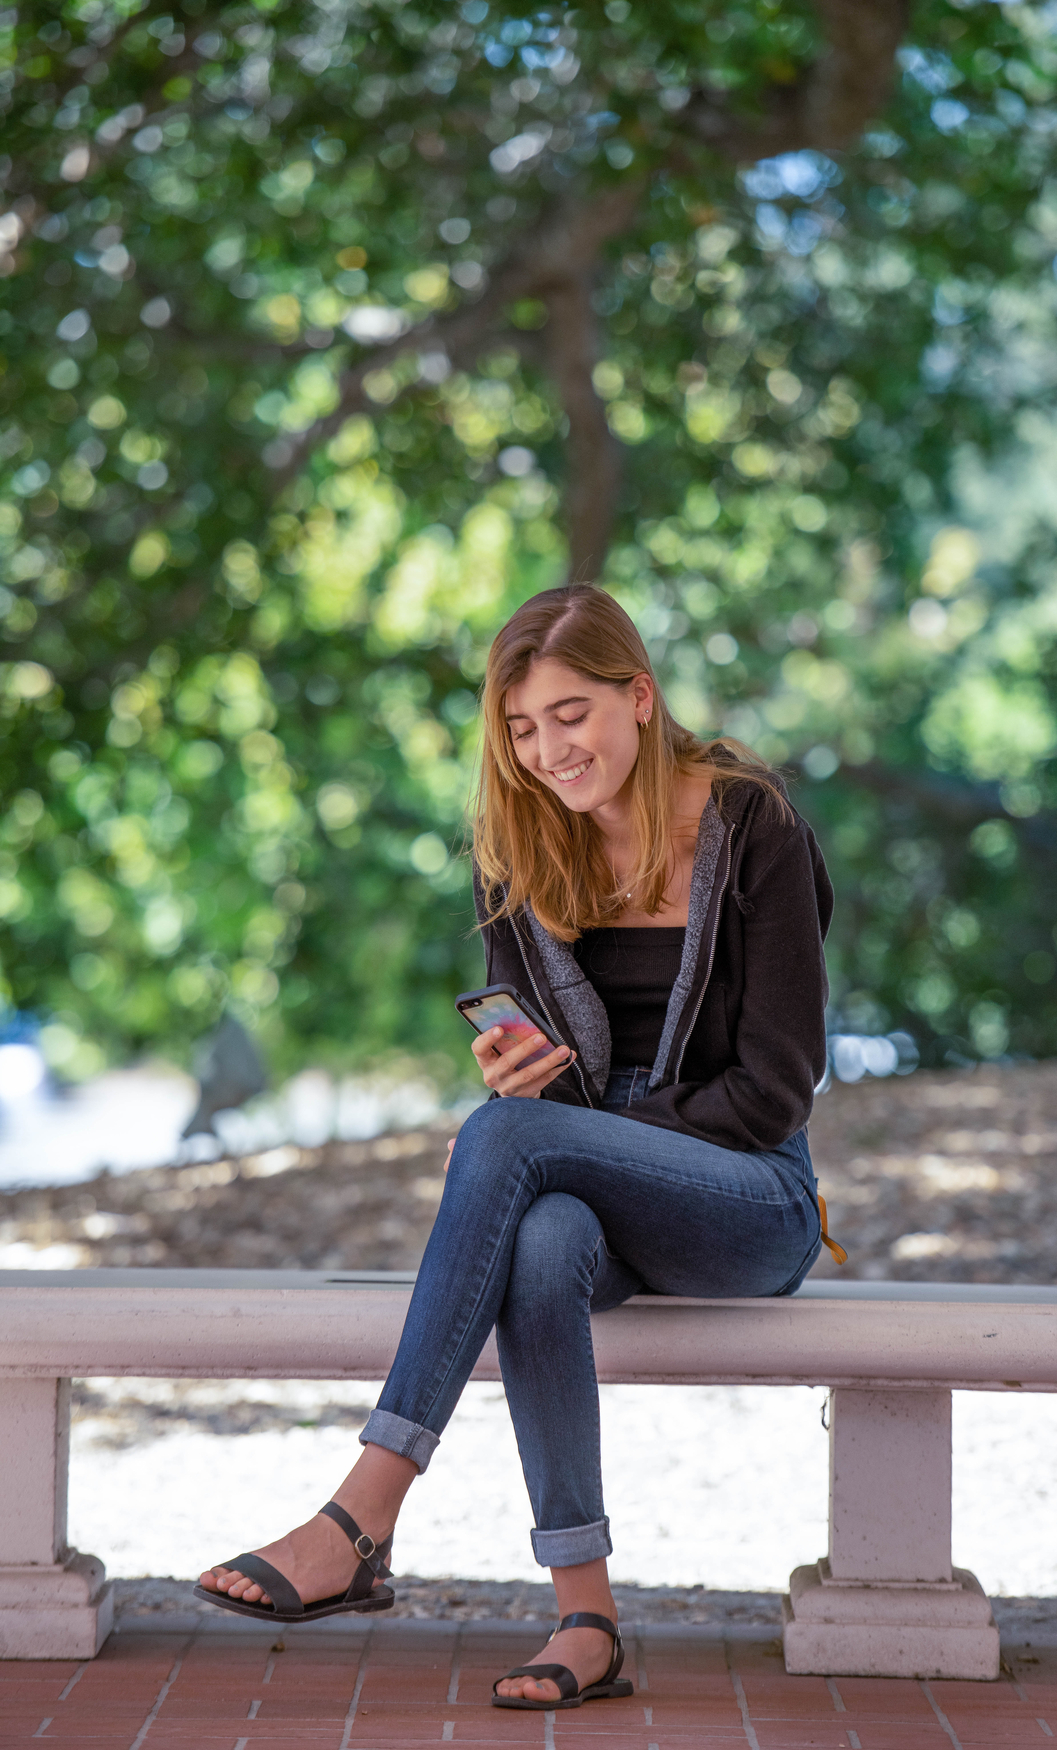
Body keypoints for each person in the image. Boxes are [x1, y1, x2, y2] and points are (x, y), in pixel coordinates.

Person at [195, 584, 836, 1711]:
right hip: (586, 1177)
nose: (548, 752)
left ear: (640, 698)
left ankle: (361, 1515)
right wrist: (532, 1084)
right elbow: (553, 1093)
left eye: (572, 714)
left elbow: (775, 1089)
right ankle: (585, 1619)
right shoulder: (518, 845)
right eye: (524, 730)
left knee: (511, 1144)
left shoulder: (752, 826)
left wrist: (560, 1126)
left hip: (749, 1196)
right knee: (541, 1240)